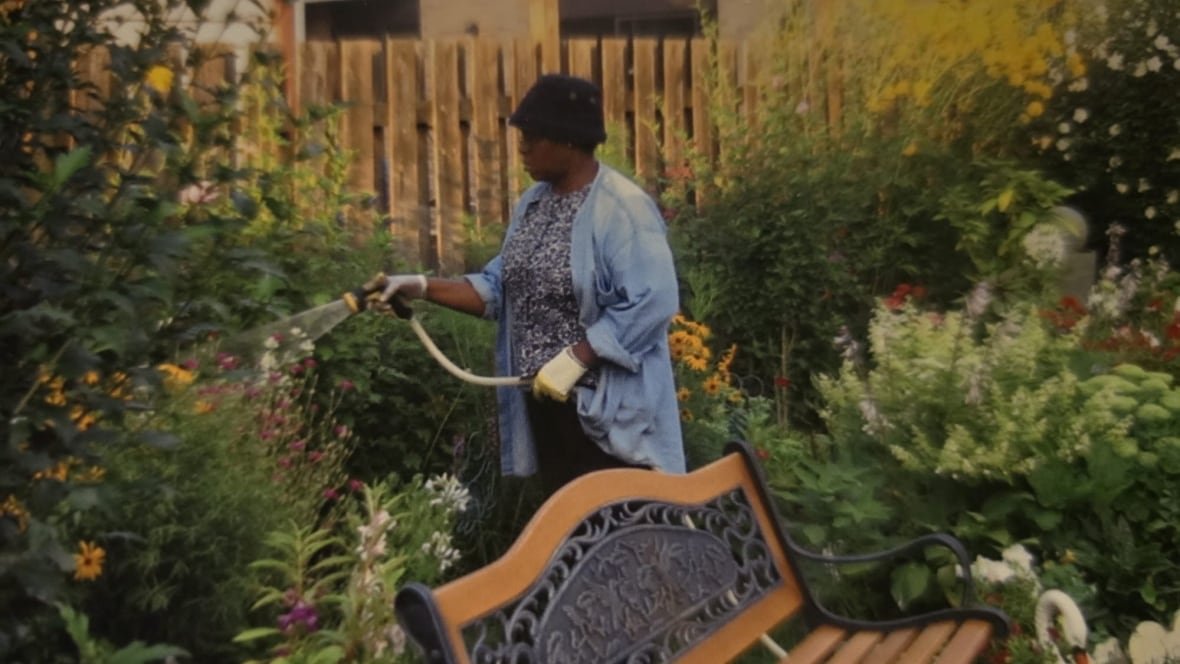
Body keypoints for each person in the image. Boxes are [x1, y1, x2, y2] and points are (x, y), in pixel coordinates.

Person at [377, 73, 686, 494]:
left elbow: (654, 300)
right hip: (546, 405)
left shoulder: (621, 209)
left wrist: (578, 357)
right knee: (569, 524)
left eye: (532, 138)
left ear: (569, 140)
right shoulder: (534, 204)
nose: (521, 148)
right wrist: (420, 286)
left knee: (622, 524)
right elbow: (500, 288)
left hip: (607, 417)